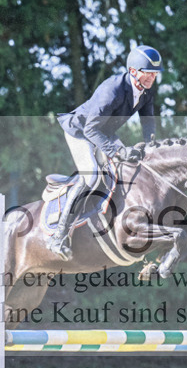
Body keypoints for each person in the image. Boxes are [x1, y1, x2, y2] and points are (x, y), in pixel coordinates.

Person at [47, 44, 163, 260]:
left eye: (155, 74)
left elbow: (148, 121)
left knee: (127, 168)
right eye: (148, 73)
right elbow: (91, 130)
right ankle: (58, 235)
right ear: (133, 71)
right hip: (80, 131)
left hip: (104, 132)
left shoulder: (146, 90)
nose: (152, 78)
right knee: (91, 175)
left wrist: (151, 146)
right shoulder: (112, 90)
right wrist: (117, 150)